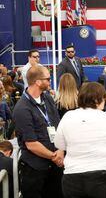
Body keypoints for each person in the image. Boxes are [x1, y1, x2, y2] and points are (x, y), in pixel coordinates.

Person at [54, 82, 106, 198]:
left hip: (74, 176)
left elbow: (59, 144)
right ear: (98, 99)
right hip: (104, 174)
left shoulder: (68, 116)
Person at [13, 65, 64, 198]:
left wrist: (60, 150)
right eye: (47, 78)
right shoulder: (22, 109)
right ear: (38, 82)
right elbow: (31, 144)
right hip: (36, 169)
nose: (50, 81)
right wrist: (54, 156)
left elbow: (58, 125)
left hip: (55, 165)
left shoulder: (47, 98)